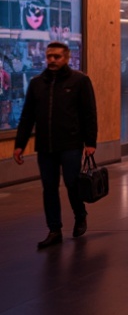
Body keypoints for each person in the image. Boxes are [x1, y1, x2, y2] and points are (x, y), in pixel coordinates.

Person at [12, 42, 97, 249]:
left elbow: (89, 113)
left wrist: (90, 142)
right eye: (49, 56)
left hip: (71, 143)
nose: (52, 60)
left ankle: (80, 214)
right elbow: (27, 117)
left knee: (71, 182)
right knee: (49, 188)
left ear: (66, 58)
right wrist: (19, 144)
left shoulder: (80, 81)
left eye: (57, 57)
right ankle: (54, 229)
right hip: (45, 146)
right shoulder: (37, 83)